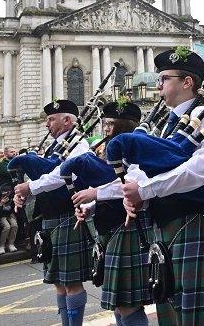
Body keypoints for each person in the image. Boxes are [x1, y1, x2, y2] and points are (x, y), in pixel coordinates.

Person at [119, 49, 204, 325]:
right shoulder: (166, 123)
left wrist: (146, 190)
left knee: (202, 318)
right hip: (167, 231)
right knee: (176, 315)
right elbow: (143, 167)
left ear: (187, 82)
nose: (158, 85)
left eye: (164, 78)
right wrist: (135, 188)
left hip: (193, 226)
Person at [73, 98, 159, 326]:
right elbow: (109, 186)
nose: (106, 129)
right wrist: (88, 207)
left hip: (130, 227)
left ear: (125, 126)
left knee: (128, 305)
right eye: (105, 123)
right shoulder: (109, 151)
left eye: (111, 124)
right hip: (112, 227)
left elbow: (134, 182)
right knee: (120, 307)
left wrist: (94, 194)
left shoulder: (138, 146)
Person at [13, 99, 91, 326]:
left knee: (71, 281)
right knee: (58, 280)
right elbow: (42, 175)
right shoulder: (54, 146)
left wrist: (31, 187)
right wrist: (25, 192)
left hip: (68, 216)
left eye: (51, 119)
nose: (46, 124)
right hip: (49, 218)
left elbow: (62, 176)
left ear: (67, 120)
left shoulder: (79, 145)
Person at [0, 186, 18, 254]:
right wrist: (2, 203)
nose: (6, 194)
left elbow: (13, 207)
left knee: (14, 225)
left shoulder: (12, 196)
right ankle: (2, 246)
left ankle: (11, 244)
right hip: (1, 215)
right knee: (7, 226)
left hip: (9, 214)